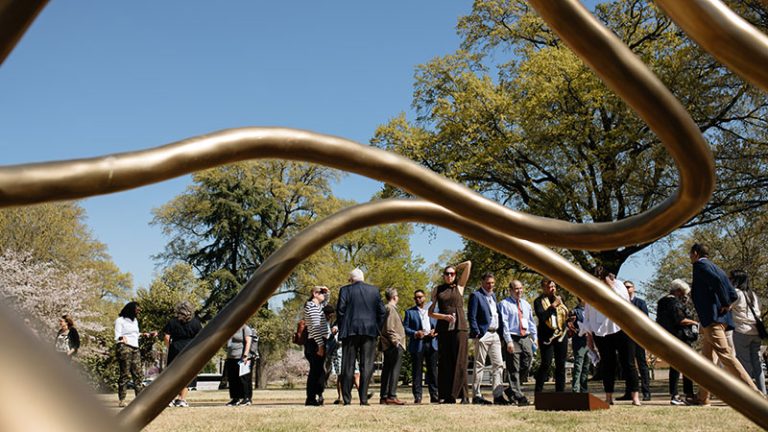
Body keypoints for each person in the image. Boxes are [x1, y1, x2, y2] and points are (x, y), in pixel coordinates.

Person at [687, 243, 760, 405]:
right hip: (717, 320)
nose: (690, 257)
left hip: (712, 319)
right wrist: (728, 302)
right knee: (707, 361)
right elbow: (731, 290)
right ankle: (702, 398)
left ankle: (754, 393)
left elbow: (717, 282)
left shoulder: (700, 265)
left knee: (726, 356)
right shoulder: (716, 267)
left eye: (690, 254)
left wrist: (725, 303)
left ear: (696, 253)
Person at [581, 267, 641, 406]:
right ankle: (608, 397)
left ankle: (635, 396)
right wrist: (589, 337)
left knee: (628, 363)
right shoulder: (590, 290)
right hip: (601, 331)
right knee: (608, 364)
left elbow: (623, 303)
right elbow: (588, 314)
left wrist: (610, 286)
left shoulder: (619, 285)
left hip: (622, 328)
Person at [336, 268, 386, 406]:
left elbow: (340, 310)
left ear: (351, 279)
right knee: (367, 365)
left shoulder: (345, 290)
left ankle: (347, 399)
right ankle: (363, 398)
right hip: (369, 331)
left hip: (350, 331)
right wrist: (377, 327)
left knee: (347, 365)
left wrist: (342, 327)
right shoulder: (374, 291)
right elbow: (382, 312)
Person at [429, 260, 472, 404]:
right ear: (443, 276)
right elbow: (430, 313)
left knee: (460, 361)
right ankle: (448, 396)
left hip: (459, 326)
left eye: (452, 274)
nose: (449, 276)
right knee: (446, 361)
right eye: (447, 274)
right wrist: (443, 317)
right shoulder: (437, 290)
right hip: (444, 328)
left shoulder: (459, 287)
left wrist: (456, 266)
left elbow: (468, 264)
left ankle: (463, 395)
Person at [656, 279, 699, 405]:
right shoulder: (674, 302)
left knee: (675, 366)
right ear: (679, 291)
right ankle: (687, 394)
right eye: (683, 292)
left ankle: (675, 394)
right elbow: (680, 320)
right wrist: (695, 323)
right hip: (680, 336)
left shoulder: (661, 301)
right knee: (687, 366)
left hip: (668, 336)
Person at [467, 272, 505, 405]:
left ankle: (498, 394)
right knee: (479, 365)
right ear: (482, 282)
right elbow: (471, 316)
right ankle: (476, 395)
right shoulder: (476, 296)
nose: (490, 286)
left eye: (492, 283)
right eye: (488, 283)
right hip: (483, 334)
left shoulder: (493, 296)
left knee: (498, 364)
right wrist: (477, 333)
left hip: (495, 334)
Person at [499, 280, 537, 406]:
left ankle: (511, 389)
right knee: (513, 367)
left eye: (521, 288)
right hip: (512, 337)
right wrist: (508, 341)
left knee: (528, 362)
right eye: (516, 289)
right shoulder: (504, 304)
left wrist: (534, 337)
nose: (519, 291)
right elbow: (504, 324)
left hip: (525, 337)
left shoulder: (526, 304)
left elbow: (531, 322)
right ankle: (518, 396)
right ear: (510, 290)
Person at [729, 270, 766, 395]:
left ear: (735, 280)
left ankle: (748, 393)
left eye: (730, 278)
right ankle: (762, 392)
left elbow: (726, 307)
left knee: (744, 363)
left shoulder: (736, 293)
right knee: (757, 364)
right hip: (756, 331)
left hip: (741, 330)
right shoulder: (754, 295)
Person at [114, 302, 156, 408]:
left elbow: (135, 334)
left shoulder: (135, 321)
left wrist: (145, 334)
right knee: (125, 374)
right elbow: (117, 335)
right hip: (124, 348)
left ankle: (140, 399)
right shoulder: (120, 320)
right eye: (137, 309)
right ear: (131, 309)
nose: (139, 311)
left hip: (135, 348)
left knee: (138, 374)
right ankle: (122, 400)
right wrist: (121, 338)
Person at [162, 301, 203, 408]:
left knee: (173, 374)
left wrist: (169, 347)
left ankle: (169, 399)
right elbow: (201, 338)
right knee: (187, 375)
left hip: (175, 349)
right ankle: (182, 399)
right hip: (190, 350)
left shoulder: (173, 322)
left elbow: (166, 337)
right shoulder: (196, 322)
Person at [533, 279, 569, 393]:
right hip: (546, 336)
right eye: (549, 287)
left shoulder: (560, 299)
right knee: (546, 363)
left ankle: (560, 393)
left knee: (561, 364)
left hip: (561, 335)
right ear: (543, 288)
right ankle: (538, 392)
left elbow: (564, 315)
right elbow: (542, 317)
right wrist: (553, 306)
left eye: (554, 286)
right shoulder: (538, 301)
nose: (552, 289)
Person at [403, 289, 438, 404]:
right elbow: (406, 328)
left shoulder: (432, 311)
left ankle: (434, 395)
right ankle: (417, 396)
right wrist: (415, 333)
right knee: (417, 372)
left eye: (420, 297)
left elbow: (438, 325)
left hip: (431, 342)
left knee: (432, 371)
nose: (418, 299)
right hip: (418, 343)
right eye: (416, 297)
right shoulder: (409, 312)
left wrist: (435, 331)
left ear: (424, 297)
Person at [621, 281, 652, 401]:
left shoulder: (640, 302)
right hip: (625, 336)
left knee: (642, 364)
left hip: (639, 336)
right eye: (624, 287)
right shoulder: (620, 302)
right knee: (628, 364)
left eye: (628, 287)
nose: (626, 289)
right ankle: (630, 392)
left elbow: (645, 320)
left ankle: (646, 392)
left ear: (633, 288)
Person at [304, 285, 330, 406]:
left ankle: (318, 395)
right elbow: (315, 328)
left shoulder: (318, 306)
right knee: (316, 371)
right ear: (314, 293)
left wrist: (326, 291)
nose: (323, 295)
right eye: (321, 293)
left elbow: (326, 301)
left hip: (318, 341)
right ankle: (311, 398)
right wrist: (320, 345)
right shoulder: (312, 307)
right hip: (316, 342)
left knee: (319, 371)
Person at [379, 288, 406, 405]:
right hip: (393, 344)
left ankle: (384, 396)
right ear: (394, 297)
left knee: (387, 370)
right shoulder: (390, 309)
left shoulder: (388, 308)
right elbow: (389, 327)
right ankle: (391, 395)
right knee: (394, 369)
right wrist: (396, 341)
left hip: (390, 344)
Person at [224, 323, 254, 407]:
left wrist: (245, 355)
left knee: (243, 379)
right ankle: (235, 398)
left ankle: (246, 398)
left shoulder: (245, 328)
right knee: (233, 379)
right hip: (231, 357)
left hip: (241, 357)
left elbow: (248, 342)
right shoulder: (231, 328)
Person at [568, 298, 589, 393]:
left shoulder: (590, 311)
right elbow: (569, 325)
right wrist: (578, 331)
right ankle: (576, 389)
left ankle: (584, 389)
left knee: (586, 366)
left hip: (589, 342)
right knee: (578, 365)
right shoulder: (574, 312)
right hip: (579, 342)